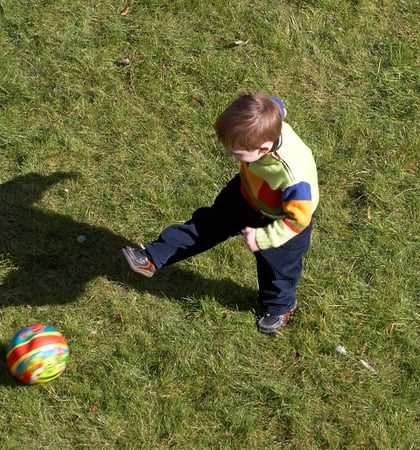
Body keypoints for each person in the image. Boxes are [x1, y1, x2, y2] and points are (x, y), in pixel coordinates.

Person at [121, 92, 319, 334]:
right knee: (206, 225)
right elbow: (275, 105)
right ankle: (154, 256)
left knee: (278, 268)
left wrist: (263, 238)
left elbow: (299, 220)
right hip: (245, 195)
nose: (229, 154)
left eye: (237, 153)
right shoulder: (270, 121)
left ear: (264, 148)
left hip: (279, 220)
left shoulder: (293, 177)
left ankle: (279, 307)